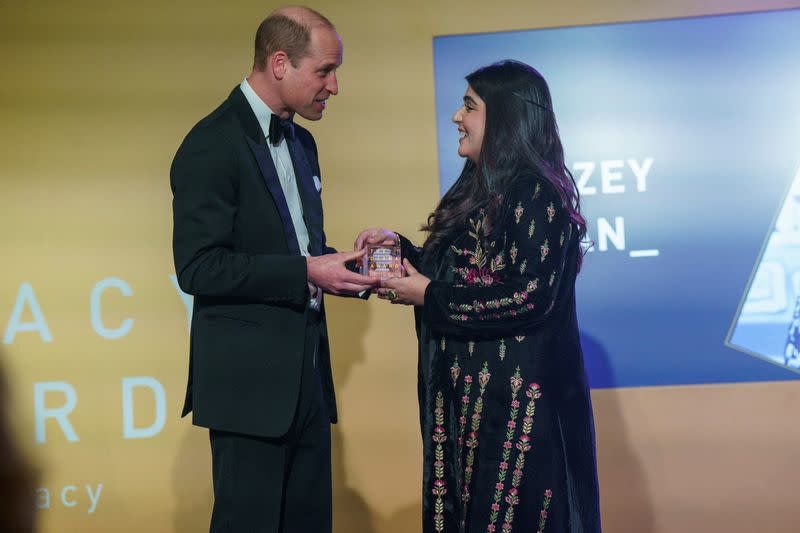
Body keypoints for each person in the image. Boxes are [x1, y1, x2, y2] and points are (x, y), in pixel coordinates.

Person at [357, 60, 601, 532]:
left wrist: (431, 295)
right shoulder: (477, 187)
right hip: (467, 412)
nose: (456, 117)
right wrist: (400, 251)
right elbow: (457, 275)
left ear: (505, 117)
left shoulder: (537, 194)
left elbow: (527, 295)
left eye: (469, 106)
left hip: (515, 419)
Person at [170, 7, 378, 532]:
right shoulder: (210, 144)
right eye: (324, 71)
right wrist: (309, 271)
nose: (334, 86)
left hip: (307, 382)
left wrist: (358, 267)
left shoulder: (303, 142)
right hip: (249, 392)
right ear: (279, 62)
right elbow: (199, 268)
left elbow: (298, 249)